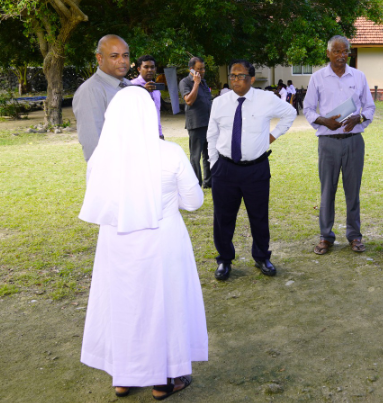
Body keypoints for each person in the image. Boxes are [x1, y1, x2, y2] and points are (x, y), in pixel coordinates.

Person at [79, 87, 207, 400]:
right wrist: (168, 200)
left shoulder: (100, 158)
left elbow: (102, 201)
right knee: (164, 305)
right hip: (162, 243)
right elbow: (194, 201)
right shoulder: (170, 153)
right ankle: (163, 380)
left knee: (125, 306)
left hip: (117, 247)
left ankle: (124, 377)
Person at [207, 60, 296, 281]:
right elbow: (212, 134)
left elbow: (290, 113)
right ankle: (224, 260)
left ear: (252, 79)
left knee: (259, 216)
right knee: (223, 218)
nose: (236, 79)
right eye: (233, 75)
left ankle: (262, 257)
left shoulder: (266, 99)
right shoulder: (219, 102)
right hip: (225, 169)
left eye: (241, 75)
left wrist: (273, 136)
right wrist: (214, 163)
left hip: (256, 169)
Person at [304, 35, 376, 255]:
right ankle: (326, 236)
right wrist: (324, 121)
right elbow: (308, 109)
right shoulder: (317, 78)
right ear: (328, 53)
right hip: (328, 142)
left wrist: (359, 118)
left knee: (353, 191)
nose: (341, 55)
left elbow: (370, 107)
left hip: (354, 141)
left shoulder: (359, 77)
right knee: (327, 191)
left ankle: (354, 236)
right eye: (336, 51)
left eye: (345, 51)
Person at [73, 34, 131, 161]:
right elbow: (92, 143)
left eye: (125, 55)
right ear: (100, 58)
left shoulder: (129, 86)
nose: (122, 61)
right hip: (113, 168)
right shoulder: (90, 91)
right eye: (114, 56)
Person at [179, 57, 213, 188]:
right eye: (199, 69)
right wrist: (196, 83)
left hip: (208, 122)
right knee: (196, 156)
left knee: (208, 154)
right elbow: (189, 101)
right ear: (191, 69)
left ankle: (208, 182)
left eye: (203, 68)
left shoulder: (203, 82)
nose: (202, 71)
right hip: (196, 124)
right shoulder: (185, 82)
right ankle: (196, 183)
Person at [131, 54, 164, 139]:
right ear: (139, 69)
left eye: (152, 67)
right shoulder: (131, 86)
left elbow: (157, 112)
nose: (150, 70)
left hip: (157, 135)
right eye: (146, 67)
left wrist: (160, 134)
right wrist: (143, 91)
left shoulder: (156, 88)